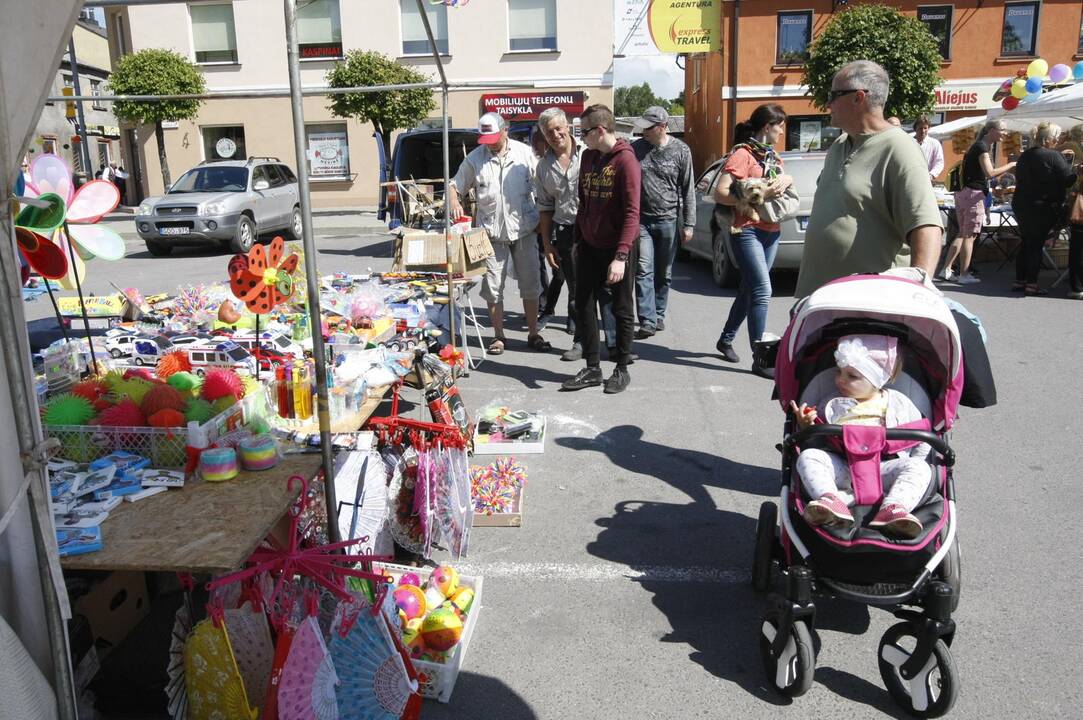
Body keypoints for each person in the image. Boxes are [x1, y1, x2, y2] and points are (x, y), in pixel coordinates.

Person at [794, 60, 943, 298]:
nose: (828, 103)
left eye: (834, 95)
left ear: (858, 97)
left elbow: (926, 225)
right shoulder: (839, 145)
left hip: (866, 306)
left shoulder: (899, 147)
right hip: (820, 301)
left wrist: (919, 295)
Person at [791, 335, 930, 539]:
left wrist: (915, 462)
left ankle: (894, 507)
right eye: (839, 372)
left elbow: (920, 437)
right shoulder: (831, 403)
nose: (840, 379)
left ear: (878, 379)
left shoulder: (900, 403)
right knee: (809, 456)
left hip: (885, 469)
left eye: (852, 376)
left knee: (920, 468)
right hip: (842, 467)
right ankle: (830, 498)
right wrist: (807, 426)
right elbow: (817, 442)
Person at [448, 112, 548, 355]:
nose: (490, 142)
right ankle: (498, 336)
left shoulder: (524, 153)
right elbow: (454, 185)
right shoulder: (475, 159)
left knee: (531, 284)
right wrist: (453, 201)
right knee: (493, 287)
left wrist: (543, 219)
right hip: (491, 234)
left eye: (494, 136)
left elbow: (543, 184)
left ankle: (534, 333)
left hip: (525, 229)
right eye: (486, 138)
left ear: (506, 130)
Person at [560, 104, 641, 395]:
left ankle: (621, 368)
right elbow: (583, 202)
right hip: (589, 246)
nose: (581, 138)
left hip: (618, 247)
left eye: (584, 132)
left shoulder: (627, 162)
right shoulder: (588, 156)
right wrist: (579, 241)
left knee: (621, 308)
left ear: (601, 130)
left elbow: (633, 213)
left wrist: (620, 256)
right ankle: (593, 368)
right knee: (582, 304)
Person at [712, 103, 792, 378]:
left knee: (749, 289)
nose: (782, 131)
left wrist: (787, 178)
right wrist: (754, 195)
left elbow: (782, 181)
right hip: (746, 230)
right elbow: (721, 193)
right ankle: (761, 359)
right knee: (762, 290)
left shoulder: (772, 156)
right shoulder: (742, 155)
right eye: (780, 126)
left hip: (772, 230)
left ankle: (725, 339)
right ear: (768, 127)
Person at [629, 106, 695, 338]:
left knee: (664, 273)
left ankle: (658, 314)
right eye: (643, 127)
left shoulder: (681, 150)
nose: (644, 132)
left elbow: (688, 189)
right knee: (643, 269)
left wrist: (689, 224)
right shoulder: (635, 149)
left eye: (649, 128)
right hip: (642, 221)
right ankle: (647, 319)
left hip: (668, 219)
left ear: (663, 127)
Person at [535, 107, 587, 361]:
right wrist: (547, 245)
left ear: (567, 126)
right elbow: (545, 209)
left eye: (558, 128)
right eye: (549, 132)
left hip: (596, 228)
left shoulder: (589, 153)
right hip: (567, 231)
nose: (555, 135)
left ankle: (613, 340)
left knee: (607, 288)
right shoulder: (543, 168)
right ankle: (580, 341)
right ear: (544, 137)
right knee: (576, 288)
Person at [940, 120, 1016, 284]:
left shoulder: (977, 146)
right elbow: (990, 173)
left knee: (962, 234)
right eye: (1002, 129)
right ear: (991, 130)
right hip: (973, 195)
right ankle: (964, 275)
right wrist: (1011, 165)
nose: (1005, 133)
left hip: (964, 194)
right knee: (970, 235)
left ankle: (946, 269)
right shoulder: (982, 147)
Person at [1010, 123, 1080, 296]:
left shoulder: (1025, 155)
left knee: (1026, 241)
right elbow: (1067, 181)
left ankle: (1020, 280)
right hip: (1041, 205)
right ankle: (1032, 284)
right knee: (1035, 244)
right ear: (1047, 139)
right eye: (1055, 137)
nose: (1057, 140)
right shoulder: (1053, 156)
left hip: (1021, 202)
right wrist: (1077, 172)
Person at [912, 117, 944, 182]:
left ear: (929, 128)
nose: (923, 131)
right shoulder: (909, 142)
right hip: (910, 179)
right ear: (915, 129)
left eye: (925, 128)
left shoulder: (934, 143)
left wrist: (931, 175)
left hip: (926, 180)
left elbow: (939, 162)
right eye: (920, 128)